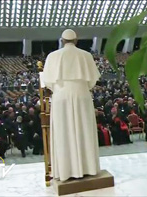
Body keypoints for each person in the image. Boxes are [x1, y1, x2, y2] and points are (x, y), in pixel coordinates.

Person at [42, 29, 101, 181]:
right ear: (76, 41)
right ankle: (89, 167)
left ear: (62, 41)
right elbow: (92, 81)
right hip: (82, 95)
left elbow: (48, 82)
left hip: (61, 96)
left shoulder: (53, 56)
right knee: (84, 129)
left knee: (64, 131)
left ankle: (65, 171)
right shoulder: (86, 55)